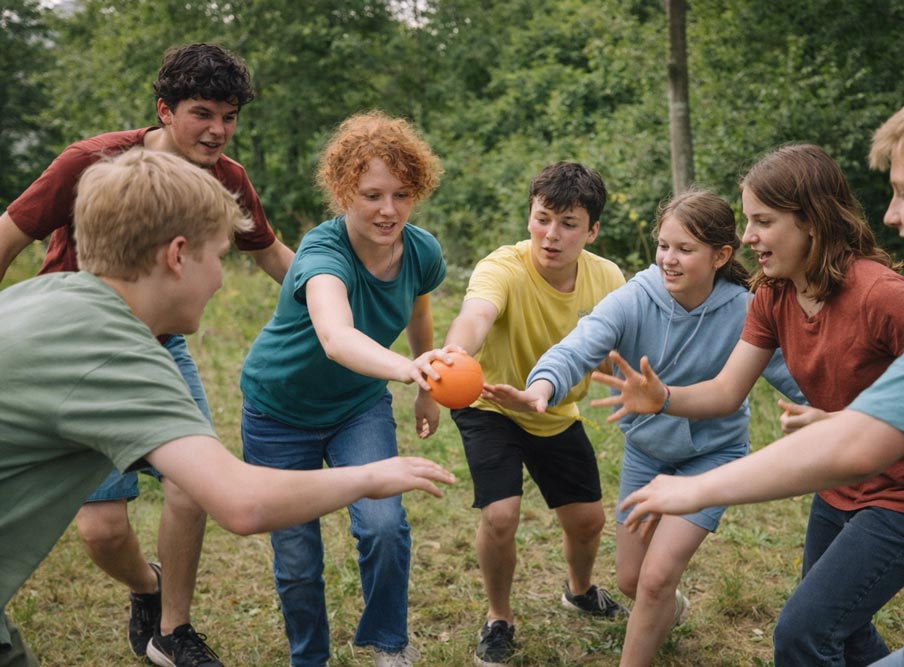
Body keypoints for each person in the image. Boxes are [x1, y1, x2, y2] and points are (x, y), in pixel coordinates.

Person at [0, 148, 455, 667]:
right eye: (218, 257)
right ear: (177, 255)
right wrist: (374, 477)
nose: (220, 279)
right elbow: (242, 503)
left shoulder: (41, 295)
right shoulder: (120, 361)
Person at [595, 138, 904, 666]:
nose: (747, 236)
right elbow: (727, 392)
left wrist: (842, 421)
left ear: (811, 221)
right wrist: (664, 398)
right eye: (748, 221)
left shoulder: (881, 296)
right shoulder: (773, 295)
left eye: (763, 221)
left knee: (801, 633)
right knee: (841, 628)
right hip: (837, 486)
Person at [0, 42, 294, 667]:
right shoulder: (91, 162)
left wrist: (332, 311)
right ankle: (146, 587)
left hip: (159, 348)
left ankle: (172, 628)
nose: (218, 130)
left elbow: (270, 253)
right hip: (74, 353)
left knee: (196, 481)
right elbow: (10, 234)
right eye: (202, 112)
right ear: (164, 110)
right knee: (102, 529)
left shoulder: (228, 179)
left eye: (230, 116)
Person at [484, 189, 803, 666]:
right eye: (663, 246)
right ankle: (664, 610)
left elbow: (794, 372)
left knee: (654, 579)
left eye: (685, 250)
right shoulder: (635, 296)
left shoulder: (745, 310)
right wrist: (542, 387)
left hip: (711, 457)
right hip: (647, 455)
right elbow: (579, 345)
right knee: (633, 582)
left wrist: (846, 416)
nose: (668, 260)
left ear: (721, 256)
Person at [239, 111, 454, 667]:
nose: (389, 210)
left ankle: (388, 644)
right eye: (372, 194)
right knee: (296, 558)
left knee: (384, 524)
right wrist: (406, 371)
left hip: (357, 407)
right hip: (277, 412)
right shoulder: (322, 253)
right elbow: (336, 337)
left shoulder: (421, 249)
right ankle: (309, 659)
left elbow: (418, 310)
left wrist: (425, 379)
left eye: (402, 194)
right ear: (341, 191)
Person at [442, 161, 627, 667]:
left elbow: (618, 349)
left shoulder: (608, 277)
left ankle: (580, 590)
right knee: (501, 516)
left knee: (588, 521)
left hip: (555, 409)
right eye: (543, 218)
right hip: (493, 403)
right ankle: (498, 618)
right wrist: (455, 356)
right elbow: (475, 315)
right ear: (529, 216)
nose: (552, 235)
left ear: (592, 231)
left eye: (569, 224)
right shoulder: (501, 266)